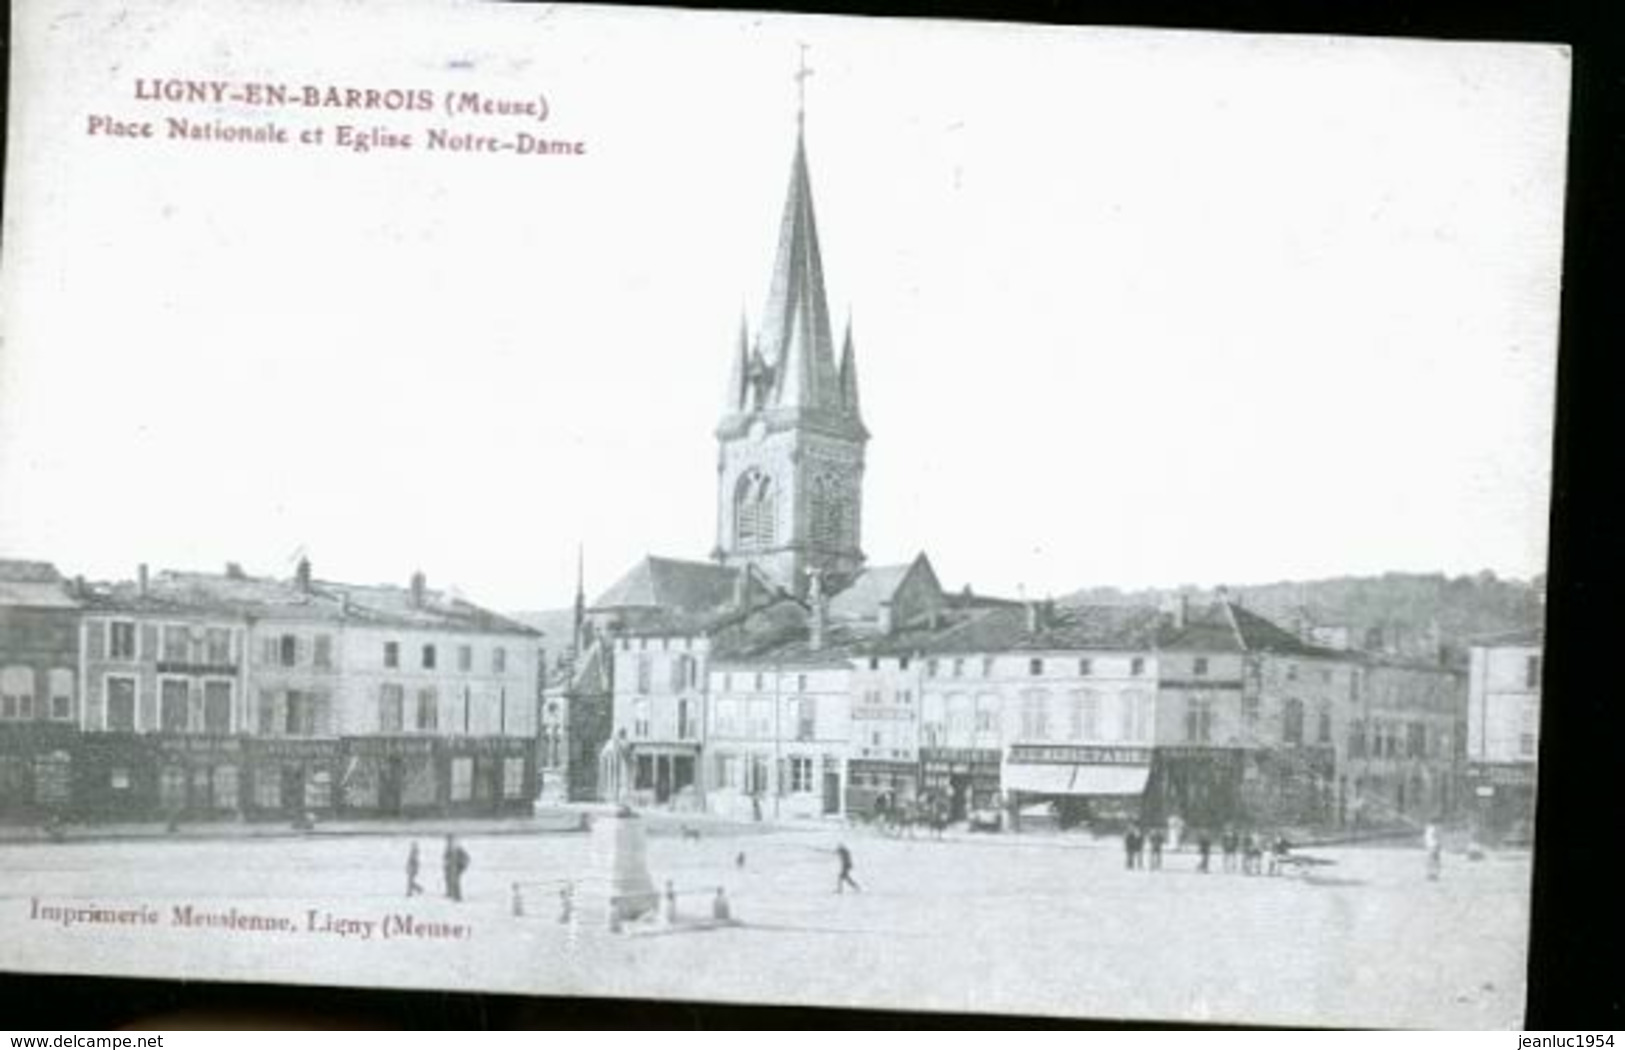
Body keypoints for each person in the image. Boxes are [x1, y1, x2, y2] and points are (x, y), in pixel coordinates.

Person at [443, 834, 470, 901]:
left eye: (449, 839)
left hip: (456, 868)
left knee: (455, 881)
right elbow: (446, 857)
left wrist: (462, 866)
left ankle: (457, 896)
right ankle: (451, 893)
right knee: (450, 880)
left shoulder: (457, 848)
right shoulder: (449, 847)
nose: (448, 841)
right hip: (450, 867)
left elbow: (465, 858)